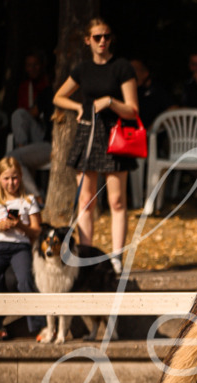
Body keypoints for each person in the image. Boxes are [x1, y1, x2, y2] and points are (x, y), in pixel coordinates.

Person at [52, 17, 138, 275]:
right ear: (88, 40)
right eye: (97, 37)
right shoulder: (82, 68)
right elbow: (59, 96)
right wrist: (80, 106)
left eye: (107, 36)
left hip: (115, 136)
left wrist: (110, 102)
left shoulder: (122, 67)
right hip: (88, 135)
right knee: (86, 200)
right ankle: (87, 256)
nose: (103, 41)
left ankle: (116, 258)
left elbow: (133, 110)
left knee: (117, 201)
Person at [0, 157, 44, 342]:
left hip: (20, 247)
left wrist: (20, 225)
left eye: (14, 178)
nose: (11, 183)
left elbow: (37, 231)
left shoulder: (28, 200)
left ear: (20, 178)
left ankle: (39, 326)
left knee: (26, 280)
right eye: (6, 178)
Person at [9, 51, 53, 148]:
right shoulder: (24, 87)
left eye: (36, 64)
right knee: (18, 114)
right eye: (29, 65)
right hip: (32, 128)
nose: (33, 69)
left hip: (48, 134)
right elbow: (25, 115)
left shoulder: (49, 85)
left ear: (42, 65)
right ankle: (21, 148)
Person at [130, 58, 174, 128]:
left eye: (135, 69)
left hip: (153, 134)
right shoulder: (131, 92)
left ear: (145, 72)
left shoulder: (158, 89)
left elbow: (173, 110)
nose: (130, 73)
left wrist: (154, 126)